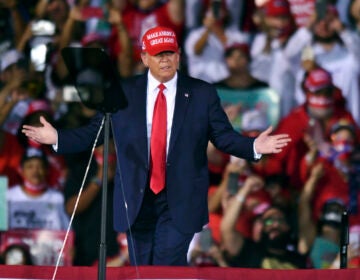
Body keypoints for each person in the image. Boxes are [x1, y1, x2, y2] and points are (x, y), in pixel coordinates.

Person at [22, 25, 291, 266]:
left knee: (165, 263)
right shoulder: (124, 92)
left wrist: (253, 145)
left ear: (178, 56)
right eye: (158, 54)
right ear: (144, 57)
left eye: (169, 53)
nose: (164, 59)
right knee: (143, 266)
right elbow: (95, 132)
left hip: (181, 196)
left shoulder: (201, 93)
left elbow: (223, 136)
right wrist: (58, 138)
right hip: (136, 196)